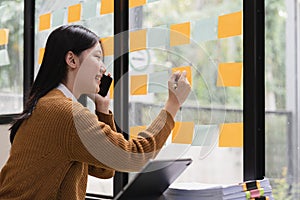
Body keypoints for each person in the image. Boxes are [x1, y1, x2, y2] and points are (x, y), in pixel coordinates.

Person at [0, 25, 191, 199]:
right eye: (97, 57)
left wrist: (102, 108)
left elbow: (104, 169)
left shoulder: (49, 104)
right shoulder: (65, 113)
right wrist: (172, 105)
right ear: (71, 59)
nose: (102, 67)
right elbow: (135, 156)